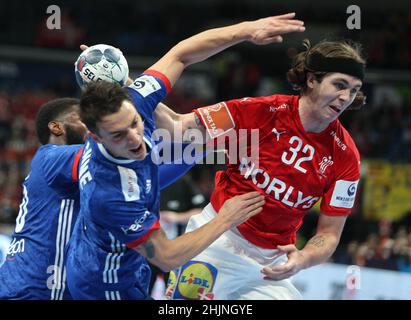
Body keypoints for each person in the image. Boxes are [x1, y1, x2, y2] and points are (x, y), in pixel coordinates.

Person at [65, 13, 305, 300]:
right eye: (119, 135)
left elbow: (181, 54)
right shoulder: (110, 193)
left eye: (135, 124)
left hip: (132, 268)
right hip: (104, 283)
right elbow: (166, 257)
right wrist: (224, 219)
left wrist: (246, 30)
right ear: (94, 137)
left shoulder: (134, 103)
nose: (135, 137)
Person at [167, 38, 367, 300]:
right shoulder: (259, 111)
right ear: (311, 80)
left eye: (353, 90)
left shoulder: (346, 157)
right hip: (216, 240)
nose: (345, 97)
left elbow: (329, 233)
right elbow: (178, 127)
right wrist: (129, 90)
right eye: (339, 84)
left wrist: (305, 257)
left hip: (270, 266)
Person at [0, 98, 213, 300]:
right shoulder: (50, 156)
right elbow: (128, 154)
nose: (93, 125)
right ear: (57, 127)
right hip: (33, 288)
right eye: (83, 118)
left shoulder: (96, 173)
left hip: (60, 288)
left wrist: (201, 147)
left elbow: (152, 174)